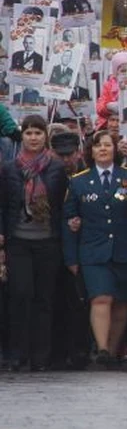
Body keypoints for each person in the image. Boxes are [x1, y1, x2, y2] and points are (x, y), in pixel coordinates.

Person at [62, 130, 127, 367]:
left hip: (124, 249)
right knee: (101, 298)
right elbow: (68, 220)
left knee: (120, 301)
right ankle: (103, 348)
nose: (103, 149)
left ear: (115, 149)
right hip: (93, 251)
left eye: (108, 145)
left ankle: (114, 347)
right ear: (91, 151)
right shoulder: (79, 181)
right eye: (98, 146)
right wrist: (71, 258)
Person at [0, 115, 69, 371]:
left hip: (47, 241)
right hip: (18, 241)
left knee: (44, 299)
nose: (33, 138)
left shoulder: (56, 167)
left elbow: (61, 205)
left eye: (38, 133)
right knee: (20, 295)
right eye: (28, 133)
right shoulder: (9, 168)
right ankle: (18, 353)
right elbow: (4, 204)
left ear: (45, 136)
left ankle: (41, 356)